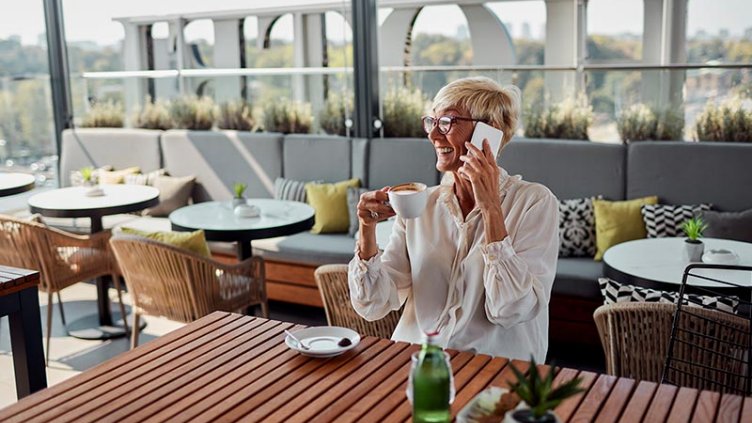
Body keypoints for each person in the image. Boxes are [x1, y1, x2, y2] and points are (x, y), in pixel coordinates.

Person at [348, 76, 559, 361]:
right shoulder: (421, 203)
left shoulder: (535, 202)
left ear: (489, 132)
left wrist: (491, 209)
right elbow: (374, 304)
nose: (433, 135)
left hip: (493, 368)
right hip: (419, 361)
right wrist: (367, 229)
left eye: (447, 123)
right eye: (431, 122)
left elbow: (510, 309)